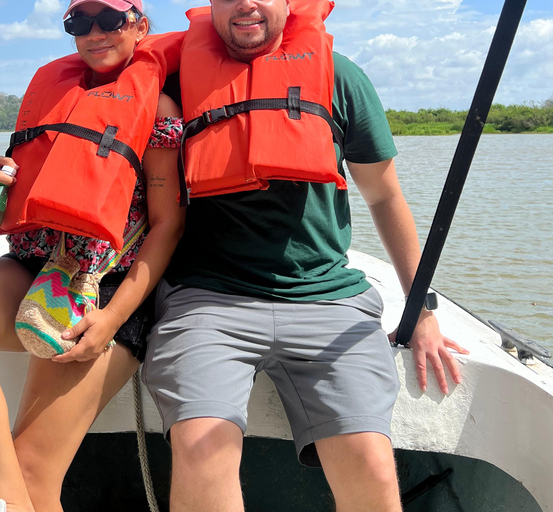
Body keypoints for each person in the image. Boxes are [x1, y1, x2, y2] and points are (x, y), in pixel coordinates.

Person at [141, 0, 469, 511]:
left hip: (328, 297)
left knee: (373, 464)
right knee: (200, 449)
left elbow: (384, 197)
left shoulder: (341, 77)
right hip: (208, 300)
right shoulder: (175, 82)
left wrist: (420, 312)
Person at [0, 0, 184, 510]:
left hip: (104, 288)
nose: (95, 33)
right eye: (80, 23)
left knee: (33, 473)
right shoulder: (54, 93)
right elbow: (22, 175)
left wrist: (110, 320)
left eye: (110, 20)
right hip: (34, 265)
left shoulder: (159, 111)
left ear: (141, 27)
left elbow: (168, 225)